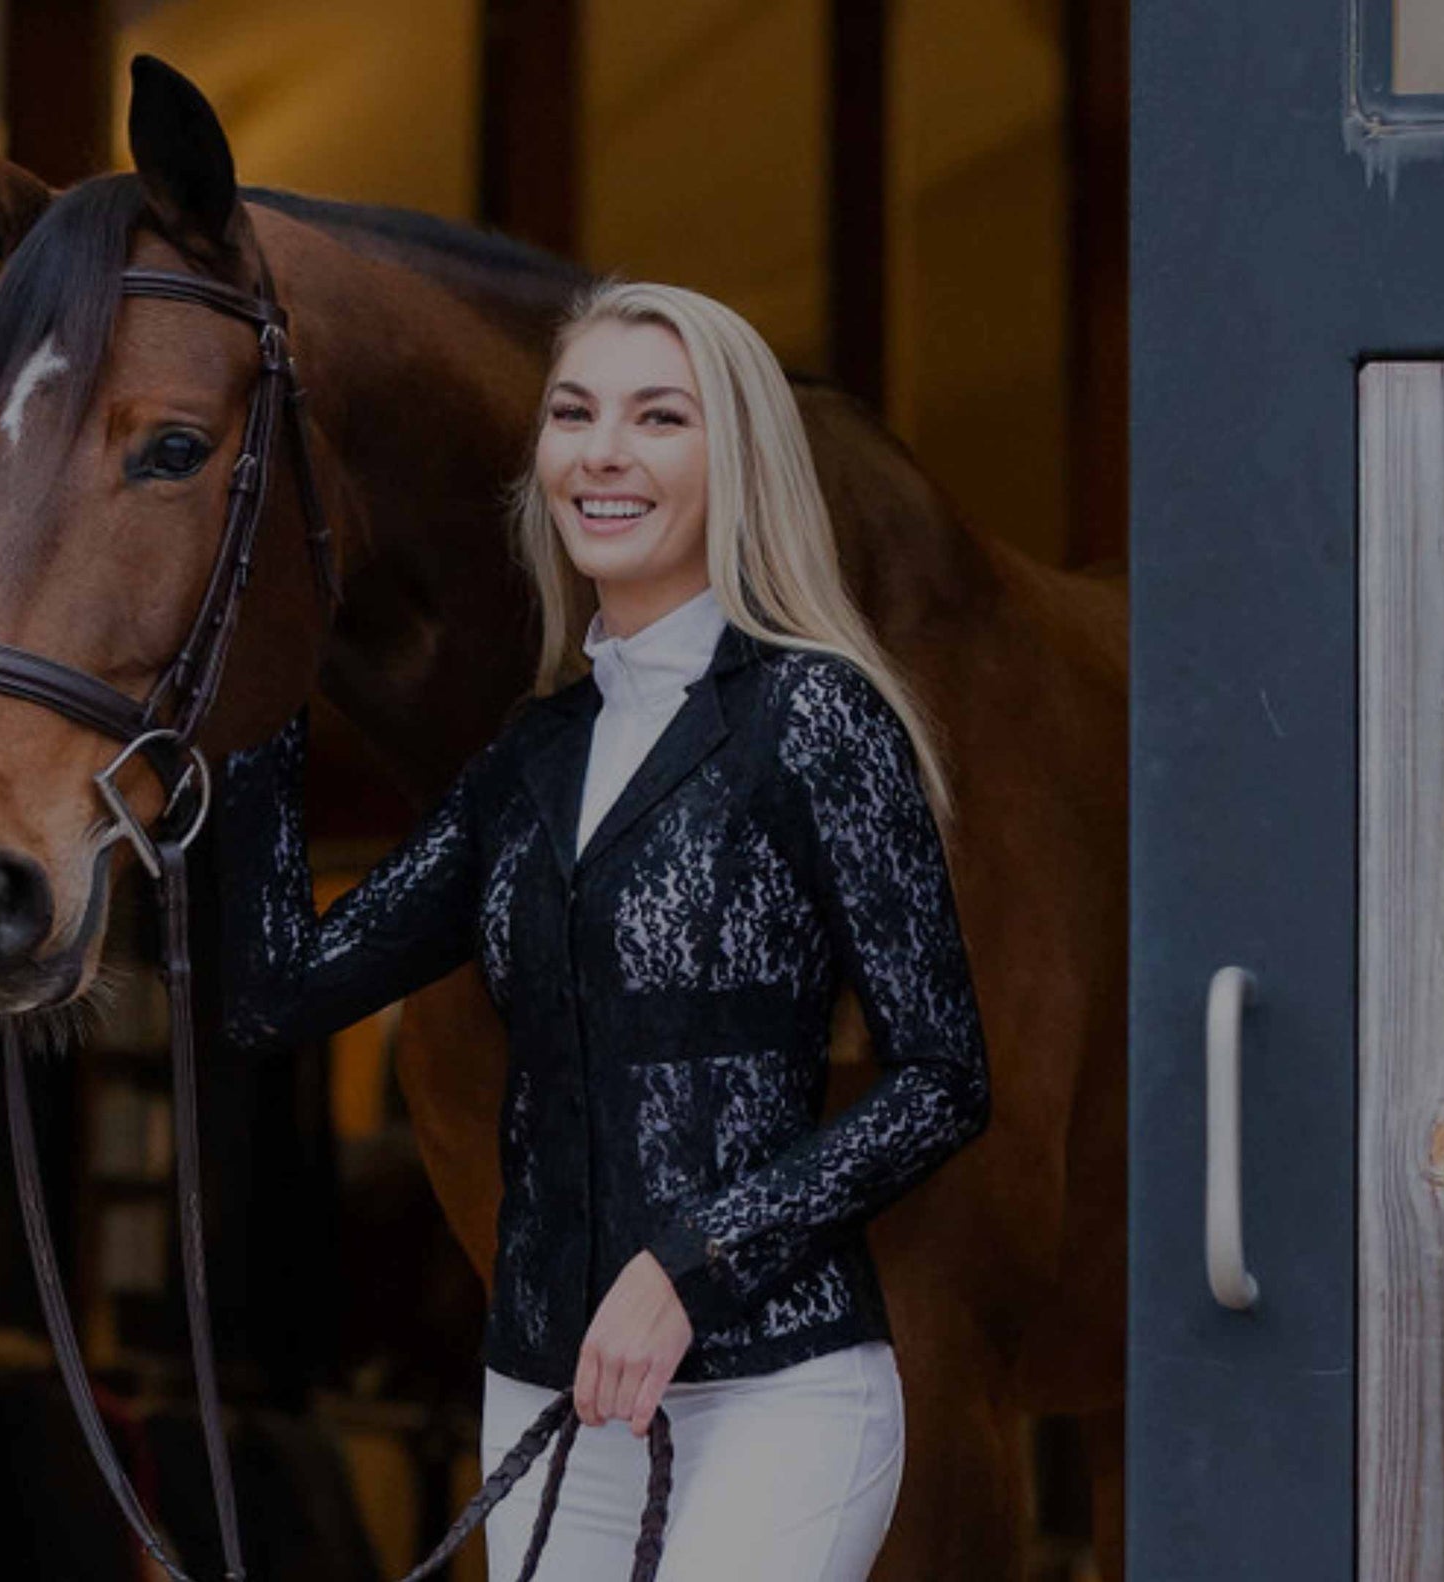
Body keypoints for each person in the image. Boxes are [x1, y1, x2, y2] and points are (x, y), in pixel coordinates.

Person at [210, 280, 990, 1580]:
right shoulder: (527, 762)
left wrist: (690, 1261)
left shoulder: (815, 717)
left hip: (781, 1388)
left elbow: (941, 1078)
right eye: (574, 412)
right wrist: (268, 676)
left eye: (657, 415)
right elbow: (275, 990)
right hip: (551, 1393)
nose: (602, 449)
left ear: (732, 460)